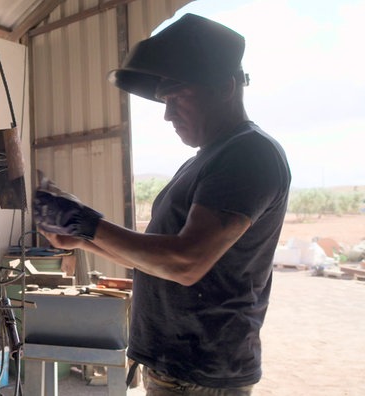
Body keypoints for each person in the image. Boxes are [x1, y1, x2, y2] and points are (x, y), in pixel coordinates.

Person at [33, 13, 291, 395]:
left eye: (178, 97)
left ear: (225, 87)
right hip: (176, 368)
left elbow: (186, 262)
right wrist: (83, 238)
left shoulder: (248, 155)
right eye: (164, 101)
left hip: (201, 374)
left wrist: (86, 223)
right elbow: (158, 260)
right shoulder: (205, 159)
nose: (168, 114)